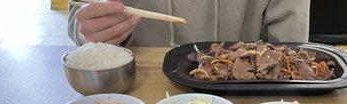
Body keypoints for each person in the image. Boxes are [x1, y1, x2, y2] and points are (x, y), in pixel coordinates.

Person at [68, 0, 310, 47]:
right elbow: (77, 15)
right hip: (133, 92)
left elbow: (293, 48)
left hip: (246, 101)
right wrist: (94, 31)